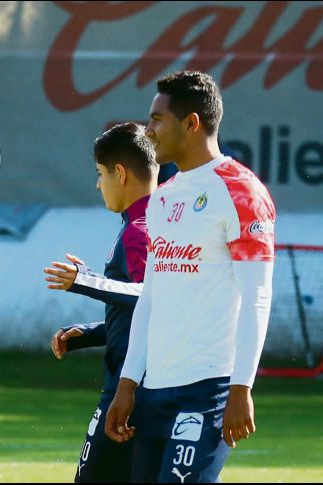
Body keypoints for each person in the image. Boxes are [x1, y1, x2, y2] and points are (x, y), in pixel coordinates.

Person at [105, 71, 276, 482]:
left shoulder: (242, 192)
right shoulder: (162, 198)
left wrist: (241, 388)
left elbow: (257, 296)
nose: (148, 131)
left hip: (210, 390)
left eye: (157, 119)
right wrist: (128, 382)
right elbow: (151, 297)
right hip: (154, 390)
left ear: (192, 123)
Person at [44, 122, 158, 482]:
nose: (98, 184)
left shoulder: (140, 230)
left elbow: (153, 301)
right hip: (150, 385)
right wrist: (92, 333)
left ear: (120, 173)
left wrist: (85, 282)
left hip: (131, 388)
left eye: (100, 174)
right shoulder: (150, 223)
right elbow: (147, 310)